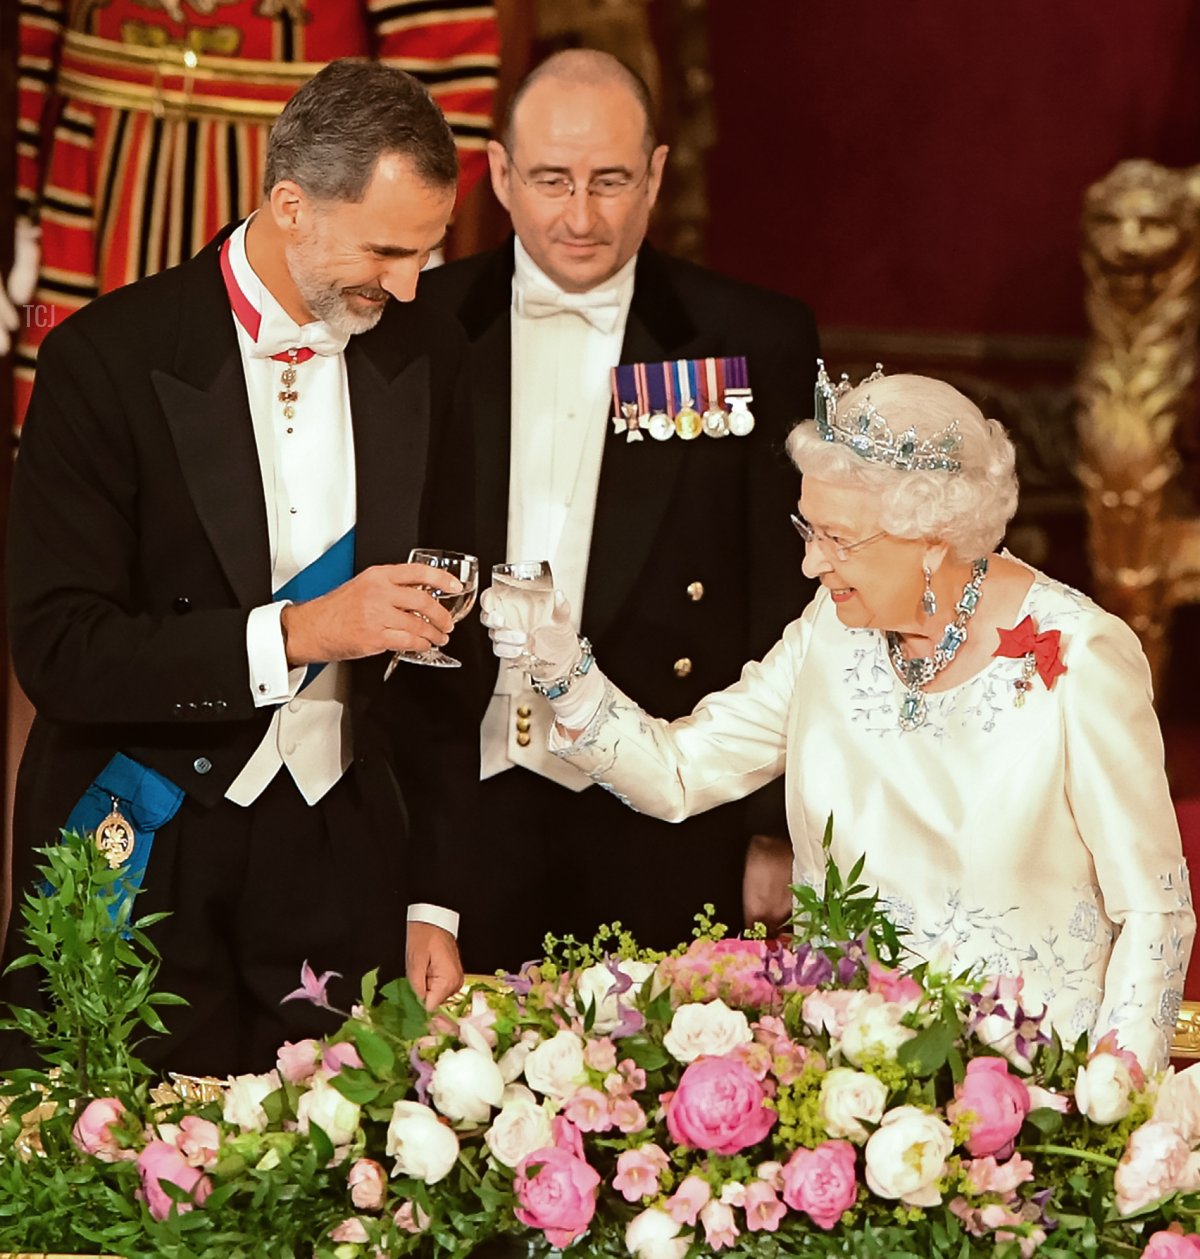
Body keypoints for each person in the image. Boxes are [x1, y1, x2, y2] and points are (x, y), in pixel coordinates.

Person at [484, 365, 1195, 1070]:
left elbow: (1155, 909)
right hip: (842, 1092)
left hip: (1029, 1105)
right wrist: (563, 671)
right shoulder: (832, 626)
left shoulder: (1081, 656)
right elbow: (679, 771)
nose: (808, 563)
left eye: (837, 538)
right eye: (806, 527)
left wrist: (1110, 1097)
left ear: (934, 538)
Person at [3, 60, 478, 1077]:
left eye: (425, 252)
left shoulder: (429, 350)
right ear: (290, 205)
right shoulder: (104, 358)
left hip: (338, 851)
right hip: (139, 836)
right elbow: (59, 648)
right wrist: (303, 633)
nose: (404, 284)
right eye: (386, 249)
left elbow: (452, 653)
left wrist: (433, 897)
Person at [415, 49, 819, 972]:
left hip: (667, 799)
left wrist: (772, 826)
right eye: (553, 181)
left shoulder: (750, 338)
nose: (582, 216)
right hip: (460, 792)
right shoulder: (421, 323)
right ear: (502, 174)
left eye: (610, 181)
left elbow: (790, 592)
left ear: (657, 177)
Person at [5, 0, 501, 425]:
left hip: (308, 170)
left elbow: (445, 40)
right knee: (75, 414)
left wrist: (400, 226)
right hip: (92, 174)